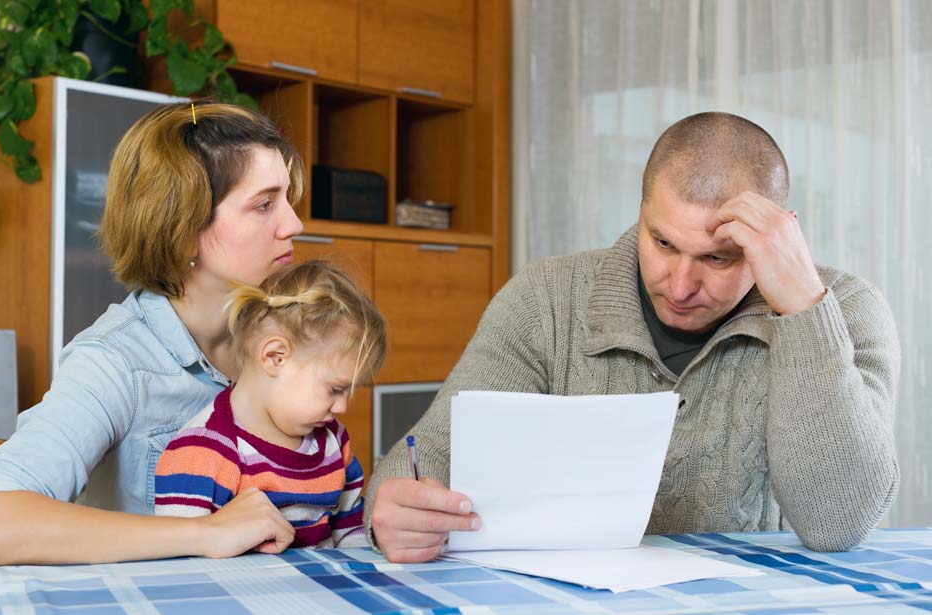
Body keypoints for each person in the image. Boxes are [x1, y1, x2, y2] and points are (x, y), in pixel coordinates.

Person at [365, 111, 900, 563]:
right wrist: (392, 512)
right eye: (663, 243)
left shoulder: (847, 310)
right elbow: (418, 463)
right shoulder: (545, 299)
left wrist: (805, 308)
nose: (683, 285)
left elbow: (840, 523)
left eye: (719, 257)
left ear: (779, 233)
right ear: (642, 211)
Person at [0, 101, 309, 565]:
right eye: (264, 204)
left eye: (287, 199)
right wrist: (201, 533)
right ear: (183, 228)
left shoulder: (288, 336)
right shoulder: (115, 362)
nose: (294, 224)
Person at [153, 260, 386, 549]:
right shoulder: (201, 453)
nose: (341, 407)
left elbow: (351, 531)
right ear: (275, 357)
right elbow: (181, 553)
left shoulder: (334, 442)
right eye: (335, 389)